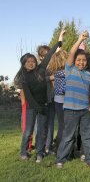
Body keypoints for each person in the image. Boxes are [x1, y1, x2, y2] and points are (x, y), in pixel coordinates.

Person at [14, 29, 65, 163]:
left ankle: (40, 153)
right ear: (24, 64)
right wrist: (37, 107)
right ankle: (24, 152)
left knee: (42, 131)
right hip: (32, 107)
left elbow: (51, 53)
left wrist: (59, 40)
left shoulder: (41, 70)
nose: (31, 63)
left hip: (44, 106)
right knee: (28, 130)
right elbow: (29, 96)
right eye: (28, 62)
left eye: (33, 61)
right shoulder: (24, 77)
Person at [56, 31, 90, 168]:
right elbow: (72, 53)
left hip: (85, 110)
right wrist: (80, 39)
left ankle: (89, 158)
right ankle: (61, 159)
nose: (81, 62)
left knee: (87, 136)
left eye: (84, 60)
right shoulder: (70, 70)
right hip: (70, 110)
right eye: (79, 60)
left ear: (87, 62)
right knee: (68, 136)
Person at [47, 49, 68, 150]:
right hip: (64, 100)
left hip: (59, 100)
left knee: (62, 125)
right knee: (64, 125)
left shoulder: (56, 73)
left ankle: (60, 146)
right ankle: (61, 147)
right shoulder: (64, 72)